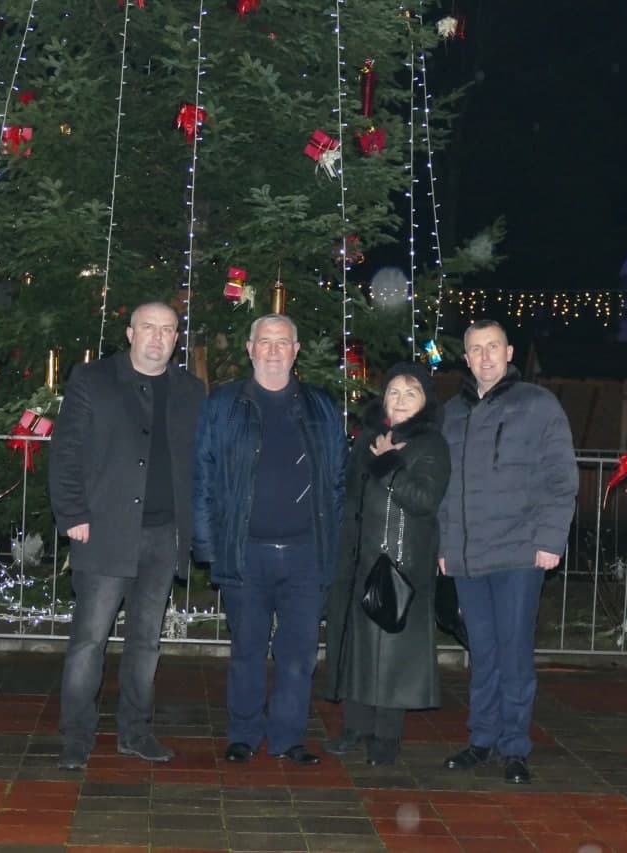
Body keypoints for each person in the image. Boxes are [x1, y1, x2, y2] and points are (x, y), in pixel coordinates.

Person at [49, 301, 206, 770]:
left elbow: (201, 460)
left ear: (176, 338)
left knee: (146, 642)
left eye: (168, 329)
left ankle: (135, 732)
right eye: (148, 328)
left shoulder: (190, 390)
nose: (158, 337)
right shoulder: (93, 380)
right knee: (89, 641)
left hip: (163, 535)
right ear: (130, 333)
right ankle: (77, 736)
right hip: (104, 531)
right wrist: (72, 513)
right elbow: (66, 451)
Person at [193, 313, 346, 766]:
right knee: (247, 649)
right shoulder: (223, 405)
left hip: (305, 554)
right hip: (245, 551)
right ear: (250, 348)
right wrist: (209, 546)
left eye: (283, 342)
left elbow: (337, 478)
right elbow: (203, 476)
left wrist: (332, 542)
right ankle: (243, 734)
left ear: (296, 351)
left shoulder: (321, 406)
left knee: (299, 654)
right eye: (265, 341)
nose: (274, 350)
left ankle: (287, 738)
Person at [437, 319, 578, 785]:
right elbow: (444, 487)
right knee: (482, 653)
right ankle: (481, 739)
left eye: (493, 347)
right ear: (466, 358)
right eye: (476, 349)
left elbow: (561, 476)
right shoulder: (452, 414)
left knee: (513, 653)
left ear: (509, 352)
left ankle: (514, 746)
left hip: (519, 553)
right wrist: (446, 544)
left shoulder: (538, 405)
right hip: (468, 555)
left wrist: (550, 539)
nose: (485, 356)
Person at [324, 363, 450, 766]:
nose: (400, 399)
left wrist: (389, 466)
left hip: (399, 562)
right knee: (356, 646)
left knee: (392, 651)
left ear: (425, 402)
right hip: (358, 558)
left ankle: (386, 735)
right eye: (394, 391)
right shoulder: (368, 439)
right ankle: (355, 726)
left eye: (411, 393)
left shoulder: (431, 444)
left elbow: (424, 500)